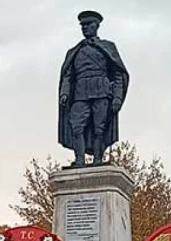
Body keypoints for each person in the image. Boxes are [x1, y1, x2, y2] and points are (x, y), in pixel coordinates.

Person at [58, 10, 129, 167]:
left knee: (99, 128)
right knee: (76, 126)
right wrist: (64, 92)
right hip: (80, 93)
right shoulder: (74, 51)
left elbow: (118, 74)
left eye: (88, 25)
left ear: (96, 26)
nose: (85, 28)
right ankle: (79, 160)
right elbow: (68, 75)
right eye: (82, 26)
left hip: (101, 91)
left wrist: (117, 97)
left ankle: (98, 159)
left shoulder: (108, 47)